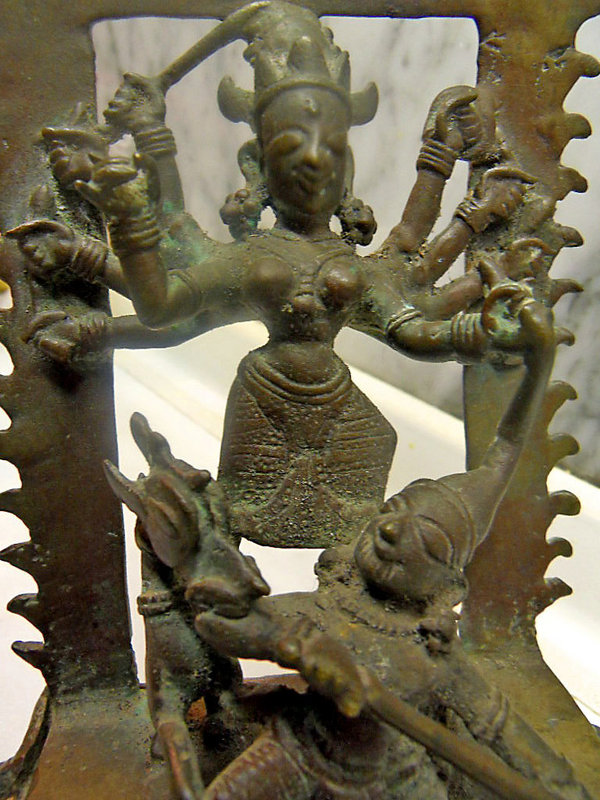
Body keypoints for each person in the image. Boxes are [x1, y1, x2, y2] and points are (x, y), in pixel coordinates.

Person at [8, 1, 532, 548]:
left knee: (362, 539)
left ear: (347, 170)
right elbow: (164, 308)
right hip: (265, 408)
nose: (314, 160)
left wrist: (477, 332)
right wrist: (129, 218)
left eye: (331, 149)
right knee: (238, 521)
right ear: (257, 167)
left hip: (346, 422)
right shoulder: (246, 261)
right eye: (290, 148)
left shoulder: (358, 270)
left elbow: (411, 331)